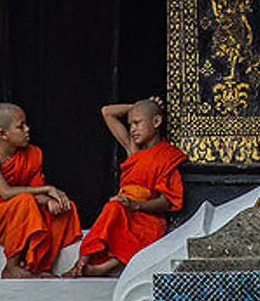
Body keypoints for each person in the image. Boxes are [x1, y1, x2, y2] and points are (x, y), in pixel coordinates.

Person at [68, 98, 186, 278]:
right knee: (112, 209)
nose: (132, 129)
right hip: (123, 208)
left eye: (137, 123)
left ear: (156, 122)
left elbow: (166, 202)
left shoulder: (167, 156)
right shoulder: (134, 150)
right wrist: (137, 108)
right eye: (130, 124)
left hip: (147, 214)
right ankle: (82, 261)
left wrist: (135, 205)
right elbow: (107, 112)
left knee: (149, 235)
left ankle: (103, 268)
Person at [0, 102, 81, 278]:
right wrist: (48, 188)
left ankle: (41, 265)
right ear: (2, 134)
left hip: (20, 210)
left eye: (26, 124)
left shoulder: (33, 154)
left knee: (64, 208)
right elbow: (5, 192)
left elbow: (35, 192)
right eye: (20, 127)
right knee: (24, 202)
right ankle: (11, 266)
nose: (27, 129)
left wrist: (51, 201)